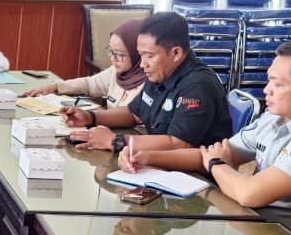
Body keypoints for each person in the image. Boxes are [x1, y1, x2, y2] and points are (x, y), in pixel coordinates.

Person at [116, 41, 291, 235]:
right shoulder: (277, 116)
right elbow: (213, 155)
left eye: (278, 84)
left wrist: (216, 163)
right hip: (265, 234)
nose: (266, 90)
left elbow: (248, 193)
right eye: (268, 81)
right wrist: (145, 156)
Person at [63, 11, 231, 154]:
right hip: (159, 163)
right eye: (140, 54)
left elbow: (178, 144)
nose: (143, 64)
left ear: (176, 53)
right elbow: (133, 113)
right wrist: (91, 118)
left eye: (149, 55)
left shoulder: (198, 86)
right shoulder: (160, 72)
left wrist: (116, 141)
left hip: (196, 179)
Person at [27, 18, 146, 118]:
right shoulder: (116, 71)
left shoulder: (150, 83)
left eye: (120, 54)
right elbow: (89, 84)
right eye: (110, 51)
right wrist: (56, 86)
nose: (113, 59)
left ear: (138, 54)